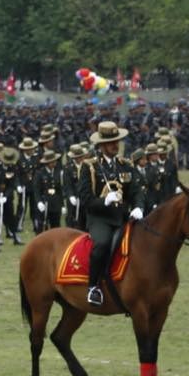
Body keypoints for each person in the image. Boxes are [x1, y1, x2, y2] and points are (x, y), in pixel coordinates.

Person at [78, 121, 134, 308]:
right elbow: (86, 200)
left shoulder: (125, 165)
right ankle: (93, 286)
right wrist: (104, 201)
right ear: (101, 145)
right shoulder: (90, 167)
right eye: (111, 142)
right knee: (102, 244)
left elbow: (136, 190)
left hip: (123, 216)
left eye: (117, 141)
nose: (115, 145)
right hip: (100, 219)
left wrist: (139, 206)